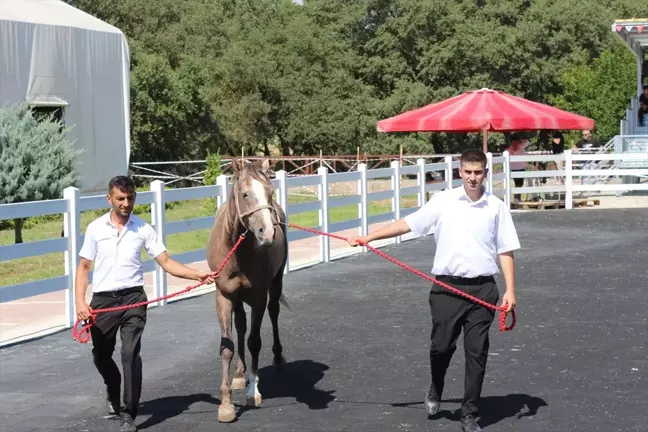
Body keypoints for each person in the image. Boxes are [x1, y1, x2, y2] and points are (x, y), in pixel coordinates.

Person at [347, 149, 520, 432]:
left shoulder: (496, 207)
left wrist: (510, 290)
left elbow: (506, 250)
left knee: (476, 352)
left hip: (483, 290)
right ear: (460, 172)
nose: (473, 177)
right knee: (441, 347)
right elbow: (409, 223)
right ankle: (436, 384)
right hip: (446, 288)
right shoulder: (443, 201)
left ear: (486, 173)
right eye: (468, 172)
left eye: (478, 172)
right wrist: (370, 237)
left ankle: (469, 414)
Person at [74, 175, 216, 432]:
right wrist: (80, 303)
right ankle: (113, 384)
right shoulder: (95, 229)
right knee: (100, 354)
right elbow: (83, 268)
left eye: (130, 198)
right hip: (103, 302)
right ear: (110, 199)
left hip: (133, 299)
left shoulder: (143, 229)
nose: (126, 203)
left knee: (130, 353)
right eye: (120, 198)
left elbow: (166, 262)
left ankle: (129, 414)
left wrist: (198, 274)